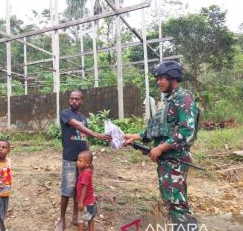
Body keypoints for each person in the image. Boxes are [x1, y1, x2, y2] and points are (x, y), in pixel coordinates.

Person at [123, 61, 199, 230]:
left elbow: (186, 132)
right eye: (157, 78)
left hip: (176, 161)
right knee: (171, 203)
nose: (158, 82)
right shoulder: (166, 101)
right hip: (166, 161)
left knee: (177, 206)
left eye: (162, 78)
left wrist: (160, 148)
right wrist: (134, 136)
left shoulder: (183, 98)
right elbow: (157, 129)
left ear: (173, 78)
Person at [55, 90, 111, 231]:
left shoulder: (83, 117)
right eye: (72, 99)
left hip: (83, 163)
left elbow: (84, 137)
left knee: (79, 190)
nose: (74, 101)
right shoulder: (65, 113)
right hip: (70, 159)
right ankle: (62, 219)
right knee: (67, 190)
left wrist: (89, 160)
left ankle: (75, 216)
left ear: (82, 101)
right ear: (69, 100)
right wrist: (97, 135)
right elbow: (78, 127)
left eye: (77, 99)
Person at [76, 151, 97, 231]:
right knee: (90, 218)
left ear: (87, 164)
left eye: (80, 160)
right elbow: (80, 171)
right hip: (90, 202)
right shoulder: (87, 171)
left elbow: (84, 188)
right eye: (78, 160)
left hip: (85, 203)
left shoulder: (86, 174)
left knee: (81, 220)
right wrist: (79, 165)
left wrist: (81, 202)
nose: (77, 162)